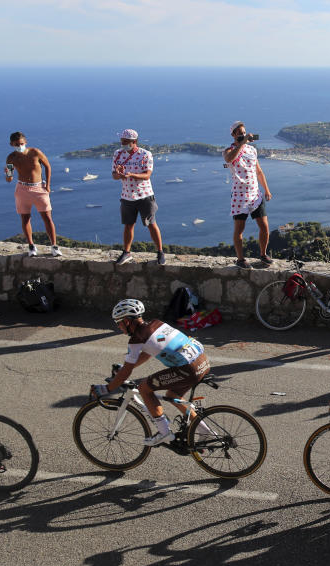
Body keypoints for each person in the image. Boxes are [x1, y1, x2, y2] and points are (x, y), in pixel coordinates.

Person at [91, 299, 211, 446]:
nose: (118, 327)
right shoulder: (157, 324)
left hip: (188, 369)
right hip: (203, 362)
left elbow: (126, 372)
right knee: (173, 396)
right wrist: (125, 368)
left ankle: (164, 432)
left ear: (127, 321)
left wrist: (106, 389)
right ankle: (204, 430)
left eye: (118, 323)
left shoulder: (137, 339)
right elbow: (148, 353)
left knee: (144, 388)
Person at [111, 129, 166, 266]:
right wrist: (119, 174)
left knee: (151, 223)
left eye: (125, 142)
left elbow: (147, 175)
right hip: (127, 195)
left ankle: (160, 252)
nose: (122, 144)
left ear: (134, 142)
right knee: (128, 225)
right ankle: (126, 252)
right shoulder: (117, 154)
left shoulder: (145, 154)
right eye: (122, 141)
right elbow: (114, 175)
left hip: (144, 195)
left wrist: (131, 175)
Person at [224, 121, 272, 268]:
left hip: (255, 193)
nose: (243, 135)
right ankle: (240, 259)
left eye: (244, 132)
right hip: (239, 195)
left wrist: (267, 189)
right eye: (239, 133)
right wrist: (242, 144)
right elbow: (229, 159)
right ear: (233, 135)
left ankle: (263, 254)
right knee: (240, 228)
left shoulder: (252, 150)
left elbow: (258, 171)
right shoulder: (228, 150)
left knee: (264, 226)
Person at [5, 132, 62, 257]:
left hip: (39, 188)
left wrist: (47, 185)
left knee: (47, 217)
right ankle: (31, 246)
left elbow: (47, 166)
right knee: (25, 219)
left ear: (25, 142)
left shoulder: (35, 152)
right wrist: (7, 173)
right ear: (11, 144)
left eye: (21, 143)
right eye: (16, 144)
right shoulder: (11, 158)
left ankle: (54, 246)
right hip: (22, 189)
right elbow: (9, 179)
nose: (19, 146)